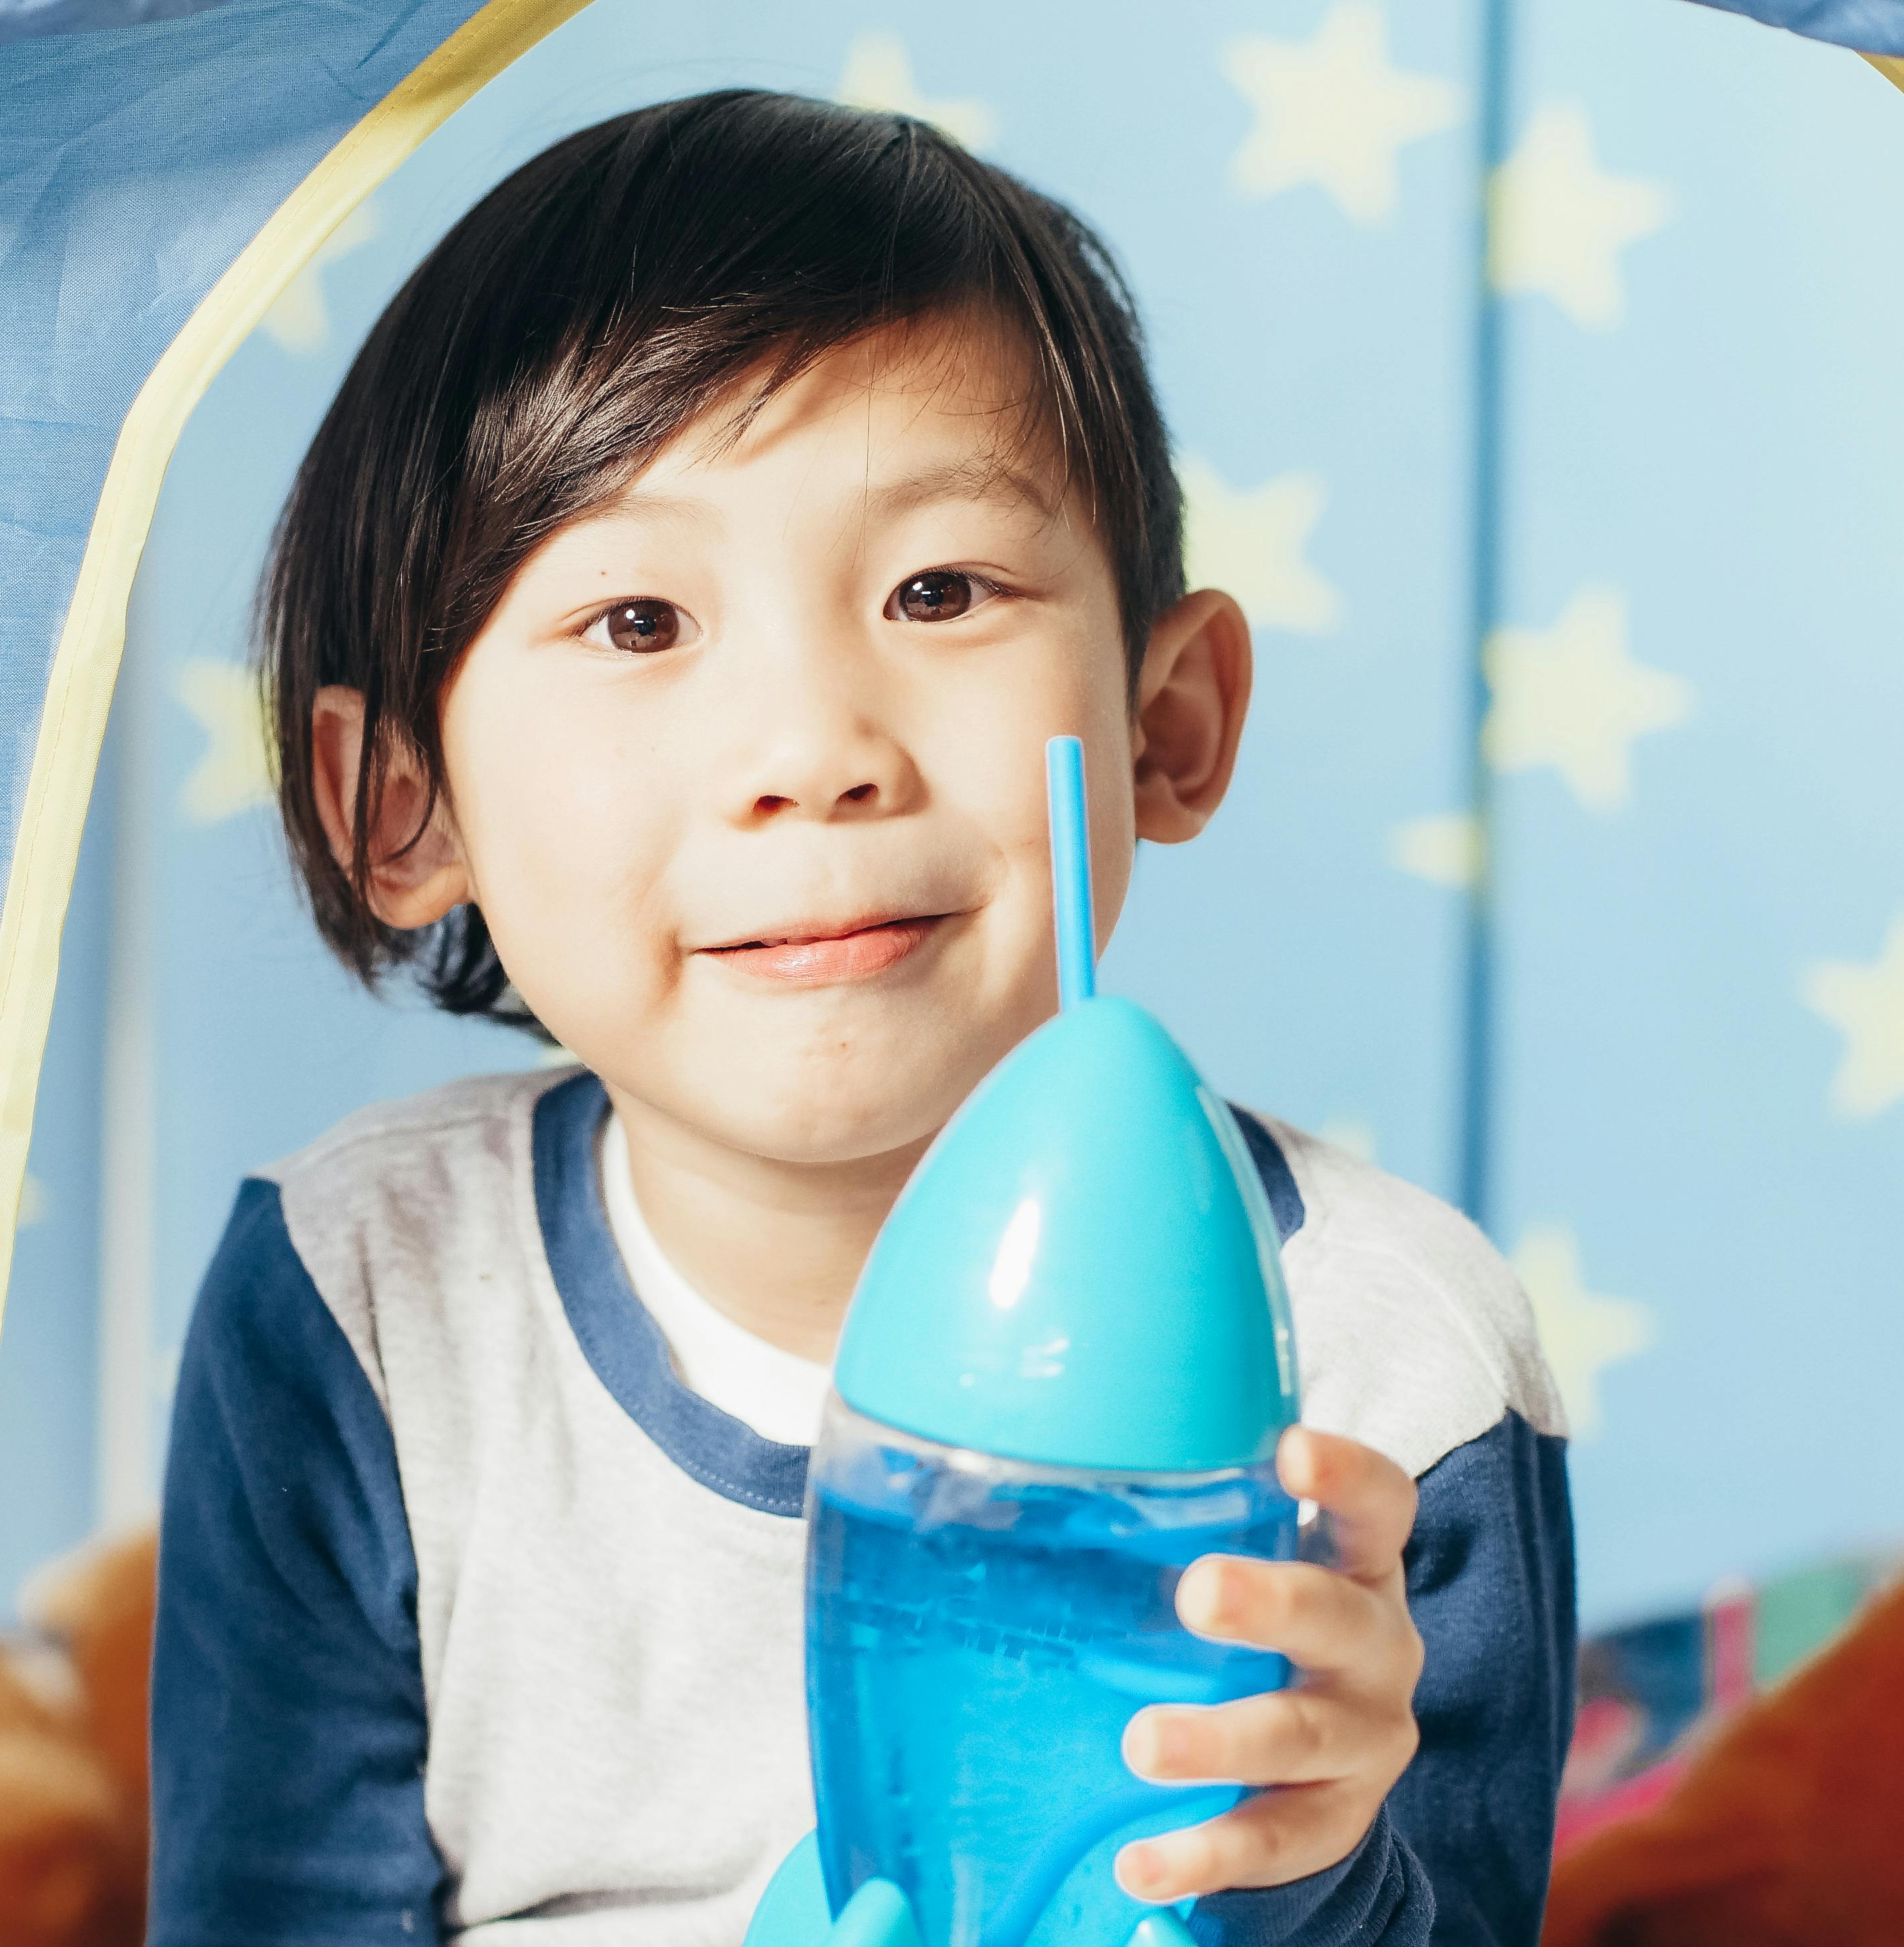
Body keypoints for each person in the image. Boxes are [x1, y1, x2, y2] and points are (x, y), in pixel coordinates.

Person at [150, 89, 1572, 1947]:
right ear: (398, 804)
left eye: (938, 589)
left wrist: (1309, 1869)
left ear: (1167, 726)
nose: (815, 752)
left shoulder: (1386, 1375)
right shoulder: (359, 1302)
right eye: (642, 621)